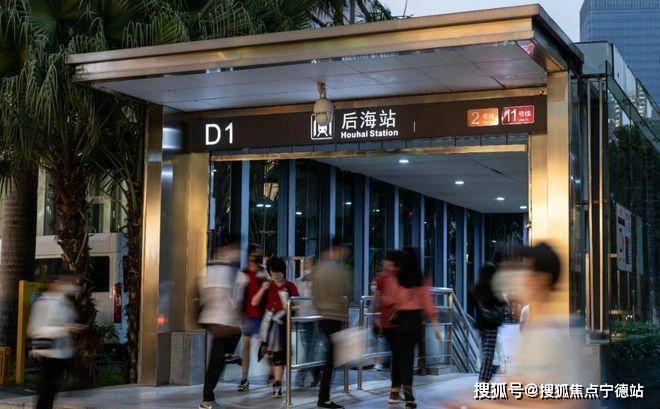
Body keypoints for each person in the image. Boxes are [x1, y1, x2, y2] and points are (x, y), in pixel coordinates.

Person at [387, 248, 440, 409]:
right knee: (409, 357)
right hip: (416, 321)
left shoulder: (397, 278)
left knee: (402, 357)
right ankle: (408, 395)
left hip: (401, 320)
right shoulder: (422, 279)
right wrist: (435, 325)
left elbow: (391, 299)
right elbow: (428, 303)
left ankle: (403, 392)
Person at [198, 239, 243, 409]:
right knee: (215, 362)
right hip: (220, 321)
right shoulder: (222, 270)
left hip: (219, 320)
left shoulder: (212, 269)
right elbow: (219, 295)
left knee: (217, 361)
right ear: (223, 250)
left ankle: (208, 397)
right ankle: (207, 399)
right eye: (233, 249)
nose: (236, 254)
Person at [28, 274, 84, 409]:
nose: (73, 287)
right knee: (47, 384)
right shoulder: (45, 303)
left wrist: (70, 328)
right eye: (69, 283)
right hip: (48, 350)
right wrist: (66, 328)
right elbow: (35, 328)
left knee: (50, 384)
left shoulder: (64, 302)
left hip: (61, 351)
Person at [312, 238, 352, 409]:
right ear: (338, 249)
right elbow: (347, 294)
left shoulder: (318, 269)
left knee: (329, 357)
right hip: (335, 318)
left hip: (323, 317)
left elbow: (314, 294)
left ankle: (323, 396)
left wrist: (321, 309)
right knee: (331, 359)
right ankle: (324, 398)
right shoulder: (340, 270)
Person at [251, 256, 299, 398]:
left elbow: (298, 305)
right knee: (267, 351)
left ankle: (277, 383)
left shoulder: (290, 286)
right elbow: (254, 302)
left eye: (279, 272)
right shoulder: (268, 285)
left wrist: (288, 305)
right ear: (270, 272)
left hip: (283, 323)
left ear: (284, 271)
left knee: (279, 352)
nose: (276, 274)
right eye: (273, 272)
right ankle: (274, 377)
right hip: (268, 323)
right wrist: (263, 289)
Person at [372, 251, 406, 404]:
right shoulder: (399, 277)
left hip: (385, 322)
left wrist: (374, 319)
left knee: (396, 355)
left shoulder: (381, 278)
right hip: (397, 322)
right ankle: (394, 392)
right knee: (398, 356)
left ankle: (395, 391)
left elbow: (376, 300)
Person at [236, 245, 269, 392]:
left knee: (264, 346)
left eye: (259, 254)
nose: (257, 257)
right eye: (255, 254)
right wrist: (240, 313)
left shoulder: (263, 272)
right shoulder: (244, 273)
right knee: (246, 346)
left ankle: (272, 373)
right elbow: (239, 294)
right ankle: (244, 378)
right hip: (248, 315)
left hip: (262, 315)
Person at [474, 262, 507, 383]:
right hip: (491, 324)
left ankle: (485, 379)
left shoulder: (477, 287)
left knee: (486, 351)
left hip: (481, 324)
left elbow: (473, 303)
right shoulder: (493, 287)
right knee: (489, 353)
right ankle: (483, 379)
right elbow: (501, 302)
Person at [296, 257, 321, 388]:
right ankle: (316, 374)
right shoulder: (301, 280)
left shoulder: (316, 279)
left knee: (310, 347)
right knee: (309, 347)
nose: (306, 265)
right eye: (305, 263)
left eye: (308, 263)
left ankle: (301, 374)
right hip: (303, 317)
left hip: (313, 317)